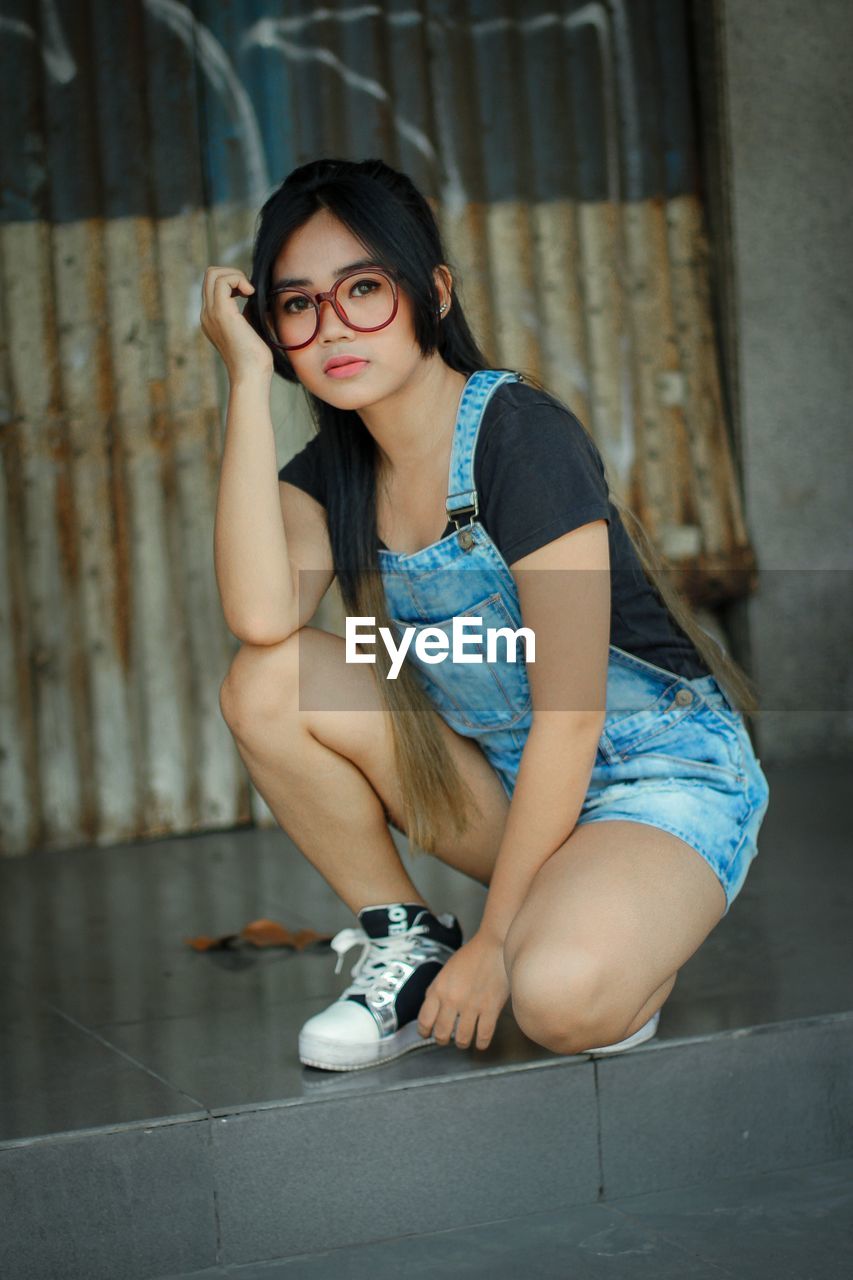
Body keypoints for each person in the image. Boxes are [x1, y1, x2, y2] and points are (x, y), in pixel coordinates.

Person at [200, 157, 770, 1074]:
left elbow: (574, 710)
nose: (333, 326)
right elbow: (260, 617)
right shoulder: (332, 475)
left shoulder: (517, 436)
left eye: (364, 289)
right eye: (297, 304)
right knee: (269, 677)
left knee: (552, 1000)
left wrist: (499, 943)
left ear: (433, 292)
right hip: (508, 785)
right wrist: (244, 382)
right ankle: (410, 943)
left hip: (654, 776)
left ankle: (595, 936)